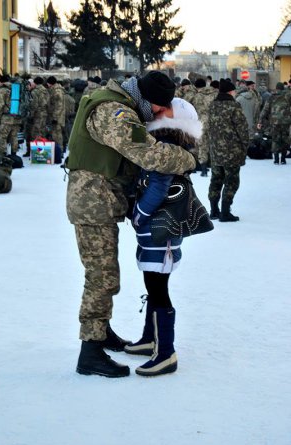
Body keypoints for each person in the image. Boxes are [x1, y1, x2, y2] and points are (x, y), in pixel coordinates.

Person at [66, 71, 197, 378]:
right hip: (93, 203)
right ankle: (91, 351)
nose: (155, 114)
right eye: (156, 107)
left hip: (99, 200)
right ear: (145, 98)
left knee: (104, 273)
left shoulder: (115, 102)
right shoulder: (114, 112)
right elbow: (149, 153)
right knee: (102, 277)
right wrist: (188, 160)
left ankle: (102, 332)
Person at [124, 98, 202, 376]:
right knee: (153, 285)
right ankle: (150, 339)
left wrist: (139, 214)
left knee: (158, 290)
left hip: (160, 231)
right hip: (157, 232)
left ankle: (166, 353)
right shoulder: (167, 142)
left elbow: (158, 186)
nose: (156, 109)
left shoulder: (166, 145)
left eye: (163, 109)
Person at [207, 78, 249, 222]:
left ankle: (213, 210)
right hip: (232, 151)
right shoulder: (233, 106)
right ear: (231, 91)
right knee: (231, 181)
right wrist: (245, 145)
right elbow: (242, 129)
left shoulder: (212, 105)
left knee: (216, 179)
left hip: (215, 150)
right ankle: (225, 212)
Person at [257, 82, 291, 164]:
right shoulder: (288, 96)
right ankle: (283, 158)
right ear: (283, 88)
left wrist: (260, 121)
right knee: (285, 139)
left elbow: (265, 110)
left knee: (275, 139)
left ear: (276, 88)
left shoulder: (271, 97)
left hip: (274, 122)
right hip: (286, 122)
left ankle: (276, 159)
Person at [24, 77, 48, 157]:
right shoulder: (45, 90)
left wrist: (31, 114)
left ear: (35, 83)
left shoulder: (35, 92)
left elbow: (34, 105)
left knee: (35, 133)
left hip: (37, 115)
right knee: (42, 132)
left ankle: (36, 154)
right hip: (44, 114)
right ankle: (43, 154)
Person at [46, 76, 65, 152]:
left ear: (50, 83)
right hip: (55, 116)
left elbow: (59, 106)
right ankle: (56, 151)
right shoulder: (54, 90)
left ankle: (59, 152)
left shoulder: (57, 92)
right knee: (54, 134)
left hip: (57, 118)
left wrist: (55, 118)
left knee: (57, 135)